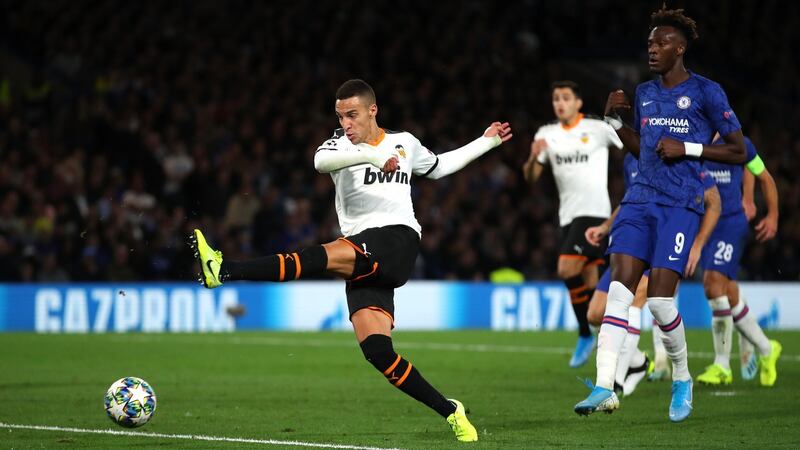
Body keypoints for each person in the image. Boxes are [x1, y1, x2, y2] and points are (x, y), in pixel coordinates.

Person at [191, 79, 512, 442]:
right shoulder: (339, 146)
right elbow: (319, 162)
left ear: (373, 110)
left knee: (316, 257)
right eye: (340, 116)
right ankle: (451, 411)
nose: (346, 123)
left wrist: (487, 141)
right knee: (378, 352)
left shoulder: (404, 142)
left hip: (397, 239)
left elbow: (438, 166)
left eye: (353, 115)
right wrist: (370, 156)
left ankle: (224, 269)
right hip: (363, 255)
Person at [573, 6, 747, 423]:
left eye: (662, 43)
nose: (653, 49)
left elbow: (739, 150)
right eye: (650, 43)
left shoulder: (707, 92)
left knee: (660, 303)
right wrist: (614, 123)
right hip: (638, 202)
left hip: (681, 205)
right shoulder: (645, 93)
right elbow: (645, 150)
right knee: (620, 290)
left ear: (680, 48)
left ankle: (682, 377)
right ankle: (605, 385)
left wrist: (688, 148)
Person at [586, 155, 721, 396]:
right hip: (635, 237)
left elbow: (714, 201)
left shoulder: (679, 154)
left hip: (662, 240)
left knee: (636, 301)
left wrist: (698, 243)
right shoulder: (631, 158)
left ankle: (615, 383)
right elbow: (631, 197)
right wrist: (606, 226)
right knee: (595, 314)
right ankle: (638, 363)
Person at [522, 80, 623, 368]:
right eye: (556, 98)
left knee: (566, 267)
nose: (560, 103)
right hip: (567, 216)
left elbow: (627, 143)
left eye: (566, 98)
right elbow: (530, 177)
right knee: (590, 286)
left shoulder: (597, 128)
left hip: (595, 214)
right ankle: (625, 354)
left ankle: (584, 334)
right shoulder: (546, 134)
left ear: (578, 103)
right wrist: (533, 156)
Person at [695, 134, 781, 386]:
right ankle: (767, 348)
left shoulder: (738, 143)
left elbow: (764, 175)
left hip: (731, 223)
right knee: (729, 294)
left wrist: (770, 214)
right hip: (705, 224)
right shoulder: (693, 138)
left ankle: (722, 365)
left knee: (713, 285)